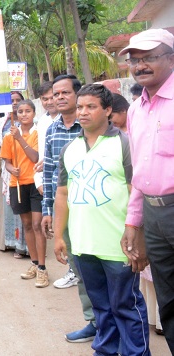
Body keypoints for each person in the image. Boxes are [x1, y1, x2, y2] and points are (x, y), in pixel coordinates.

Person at [54, 84, 150, 355]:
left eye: (91, 106)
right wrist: (60, 235)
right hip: (84, 244)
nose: (83, 112)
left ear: (108, 110)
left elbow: (136, 190)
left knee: (126, 306)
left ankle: (137, 353)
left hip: (118, 245)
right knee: (101, 308)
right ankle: (105, 350)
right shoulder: (70, 150)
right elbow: (62, 194)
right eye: (80, 107)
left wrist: (138, 234)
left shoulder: (124, 143)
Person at [119, 28, 174, 352]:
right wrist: (134, 222)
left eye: (149, 58)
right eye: (135, 60)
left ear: (170, 58)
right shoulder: (137, 110)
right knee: (168, 303)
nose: (140, 65)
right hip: (154, 216)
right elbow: (140, 171)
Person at [41, 75, 97, 342]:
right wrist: (48, 209)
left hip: (93, 209)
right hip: (66, 211)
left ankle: (114, 324)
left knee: (106, 268)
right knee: (81, 270)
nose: (59, 98)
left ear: (77, 94)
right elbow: (50, 172)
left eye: (64, 93)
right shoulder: (52, 129)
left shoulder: (90, 126)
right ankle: (94, 322)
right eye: (55, 94)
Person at [0, 100, 48, 287]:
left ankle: (43, 268)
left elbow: (36, 157)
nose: (24, 114)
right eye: (20, 111)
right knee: (27, 224)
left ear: (34, 113)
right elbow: (7, 162)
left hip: (36, 184)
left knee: (37, 224)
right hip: (17, 184)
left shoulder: (37, 134)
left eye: (28, 111)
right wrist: (12, 169)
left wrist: (20, 138)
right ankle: (34, 264)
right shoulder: (8, 137)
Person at [0, 92, 27, 258]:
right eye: (11, 101)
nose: (14, 104)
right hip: (7, 170)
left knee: (23, 209)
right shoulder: (0, 125)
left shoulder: (29, 123)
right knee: (10, 207)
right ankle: (10, 243)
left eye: (17, 101)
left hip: (25, 168)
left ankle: (23, 247)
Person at [33, 81, 57, 196]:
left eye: (52, 97)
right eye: (45, 99)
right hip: (46, 180)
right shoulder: (42, 122)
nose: (49, 102)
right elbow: (42, 154)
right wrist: (38, 181)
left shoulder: (68, 120)